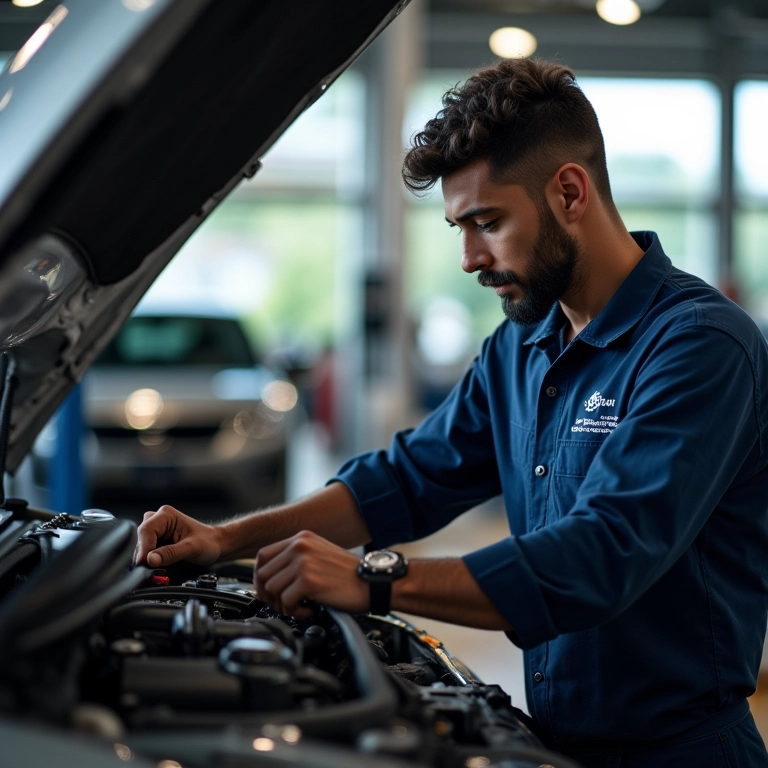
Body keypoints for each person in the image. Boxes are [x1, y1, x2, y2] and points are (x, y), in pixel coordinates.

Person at [134, 58, 768, 767]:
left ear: (569, 192)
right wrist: (226, 538)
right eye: (458, 227)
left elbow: (602, 554)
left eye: (487, 223)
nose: (468, 257)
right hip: (555, 743)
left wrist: (374, 578)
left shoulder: (700, 345)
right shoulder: (520, 347)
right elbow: (406, 481)